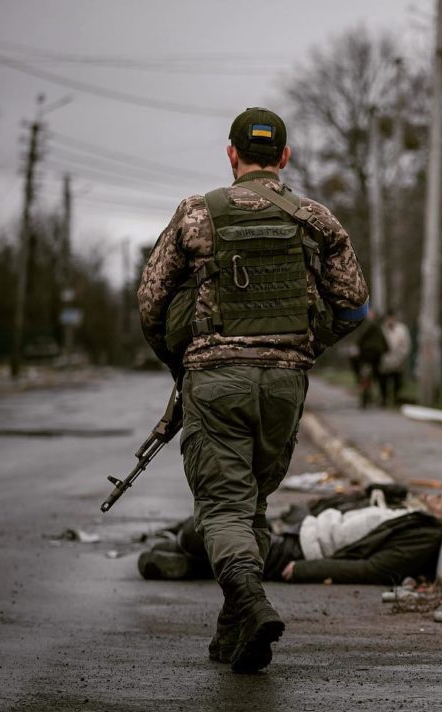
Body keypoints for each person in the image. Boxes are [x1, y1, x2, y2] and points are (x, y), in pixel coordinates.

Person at [137, 107, 369, 673]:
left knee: (222, 507)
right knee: (251, 504)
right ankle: (232, 632)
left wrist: (181, 358)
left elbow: (150, 302)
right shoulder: (316, 219)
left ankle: (253, 602)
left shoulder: (196, 215)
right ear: (284, 157)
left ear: (231, 154)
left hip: (216, 380)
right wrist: (308, 345)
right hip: (284, 384)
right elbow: (356, 304)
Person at [137, 484, 442, 590]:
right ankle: (186, 562)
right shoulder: (413, 512)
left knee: (201, 532)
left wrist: (309, 569)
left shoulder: (425, 537)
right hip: (299, 531)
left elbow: (374, 568)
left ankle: (185, 557)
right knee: (221, 525)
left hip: (300, 550)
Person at [353, 309, 388, 408]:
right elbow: (384, 342)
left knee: (366, 376)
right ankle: (380, 399)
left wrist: (358, 346)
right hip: (375, 355)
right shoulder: (379, 327)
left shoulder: (370, 325)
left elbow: (361, 338)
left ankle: (366, 398)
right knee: (377, 376)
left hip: (368, 356)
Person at [378, 311, 411, 406]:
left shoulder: (402, 329)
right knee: (383, 381)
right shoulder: (382, 329)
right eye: (388, 319)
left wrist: (402, 358)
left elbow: (406, 345)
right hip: (384, 360)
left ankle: (395, 399)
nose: (390, 321)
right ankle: (383, 399)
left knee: (397, 381)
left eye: (391, 318)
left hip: (398, 360)